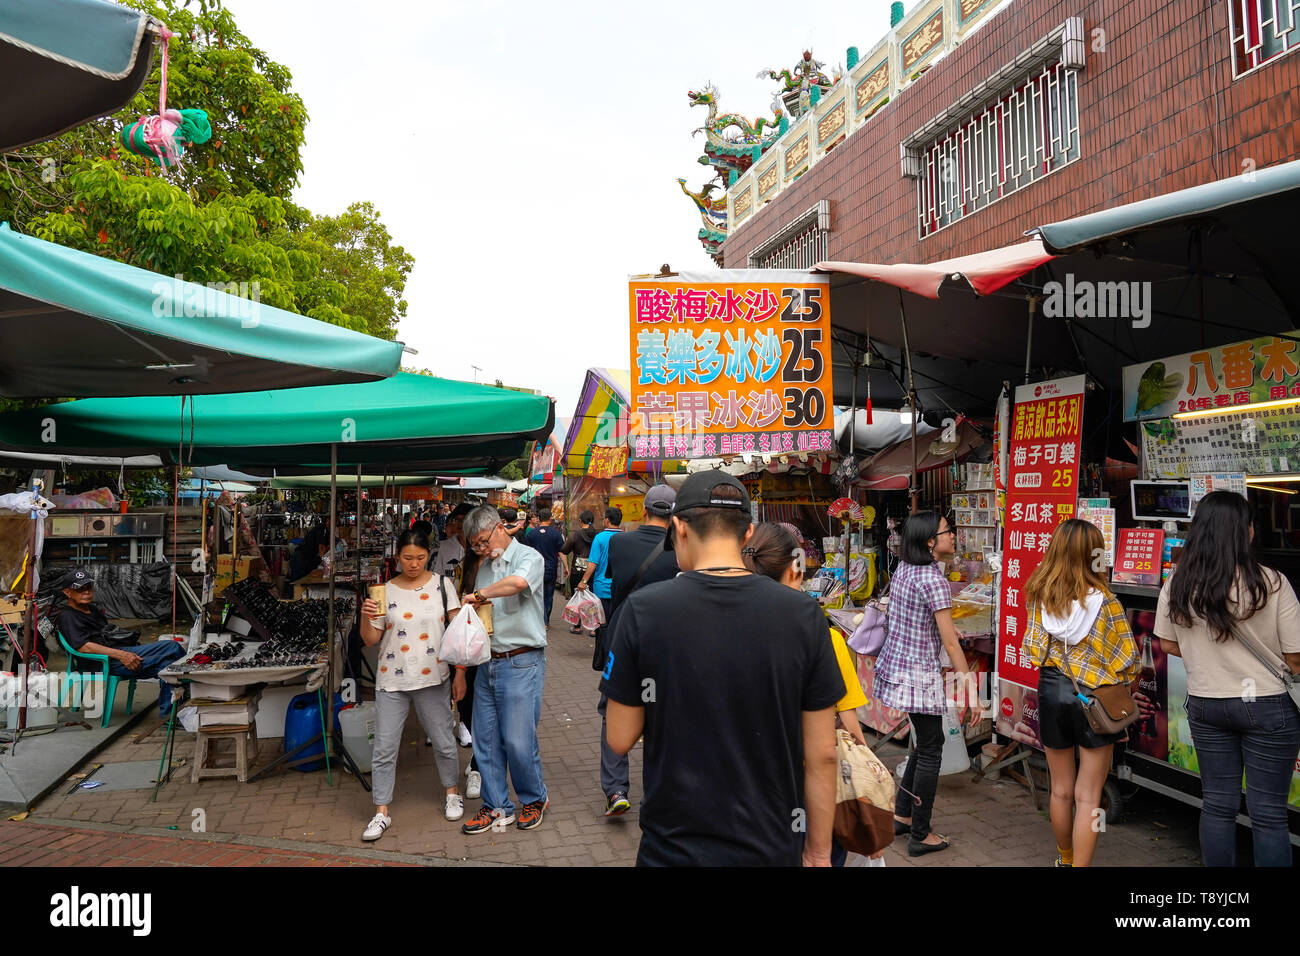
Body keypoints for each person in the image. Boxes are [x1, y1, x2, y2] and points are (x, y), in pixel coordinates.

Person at [600, 471, 843, 866]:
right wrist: (817, 852)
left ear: (679, 528)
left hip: (673, 848)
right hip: (773, 845)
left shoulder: (642, 611)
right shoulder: (803, 615)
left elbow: (620, 738)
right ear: (747, 534)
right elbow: (822, 754)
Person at [1154, 491, 1300, 867]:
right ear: (1246, 533)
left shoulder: (1177, 585)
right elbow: (1295, 658)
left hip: (1207, 703)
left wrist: (1208, 660)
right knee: (1268, 814)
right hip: (1267, 706)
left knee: (1218, 805)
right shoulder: (1273, 583)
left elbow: (1167, 643)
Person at [741, 521, 882, 866]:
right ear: (795, 569)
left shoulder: (722, 634)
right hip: (812, 794)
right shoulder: (825, 639)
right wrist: (868, 804)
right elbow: (849, 731)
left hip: (744, 789)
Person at [1022, 518, 1140, 868]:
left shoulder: (1040, 596)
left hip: (1051, 691)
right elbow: (1128, 661)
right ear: (1095, 555)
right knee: (1088, 797)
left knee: (1059, 789)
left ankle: (1065, 858)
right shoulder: (1105, 602)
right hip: (1095, 700)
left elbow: (1032, 649)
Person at [874, 511, 980, 858]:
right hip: (919, 673)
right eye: (948, 532)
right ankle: (921, 832)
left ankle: (903, 815)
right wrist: (973, 694)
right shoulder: (933, 579)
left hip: (900, 666)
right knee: (931, 749)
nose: (954, 536)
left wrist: (944, 629)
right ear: (931, 542)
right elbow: (951, 643)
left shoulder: (907, 569)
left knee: (926, 742)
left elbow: (918, 619)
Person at [459, 505, 550, 833]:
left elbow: (517, 584)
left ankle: (534, 798)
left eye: (483, 541)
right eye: (475, 546)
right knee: (484, 739)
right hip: (489, 662)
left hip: (522, 661)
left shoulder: (529, 557)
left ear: (500, 527)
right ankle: (495, 805)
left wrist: (480, 593)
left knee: (518, 739)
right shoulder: (484, 567)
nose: (481, 549)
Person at [596, 486, 680, 817]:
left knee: (614, 710)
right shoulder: (680, 552)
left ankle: (616, 789)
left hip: (622, 636)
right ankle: (657, 793)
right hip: (665, 640)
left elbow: (615, 579)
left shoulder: (619, 542)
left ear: (643, 510)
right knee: (661, 713)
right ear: (674, 516)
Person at [57, 569, 185, 718]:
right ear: (67, 592)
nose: (85, 592)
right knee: (172, 647)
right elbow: (84, 647)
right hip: (101, 662)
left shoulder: (93, 609)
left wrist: (125, 644)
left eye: (88, 588)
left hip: (116, 653)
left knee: (168, 667)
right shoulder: (68, 616)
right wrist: (122, 655)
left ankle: (170, 716)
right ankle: (195, 685)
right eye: (79, 589)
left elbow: (107, 634)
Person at [575, 506, 623, 626]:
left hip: (602, 588)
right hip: (620, 588)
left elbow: (593, 563)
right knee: (616, 625)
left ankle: (603, 645)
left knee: (602, 625)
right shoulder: (626, 538)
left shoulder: (599, 538)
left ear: (606, 520)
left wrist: (584, 581)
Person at [524, 507, 565, 626]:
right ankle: (545, 622)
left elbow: (527, 552)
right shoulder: (556, 534)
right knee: (548, 596)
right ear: (550, 518)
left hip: (535, 570)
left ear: (538, 519)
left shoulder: (532, 533)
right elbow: (561, 551)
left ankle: (536, 620)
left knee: (535, 595)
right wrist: (566, 567)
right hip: (550, 569)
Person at [560, 510, 599, 633]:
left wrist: (566, 566)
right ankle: (592, 629)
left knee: (578, 598)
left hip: (577, 571)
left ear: (580, 521)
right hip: (593, 571)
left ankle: (577, 626)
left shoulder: (575, 535)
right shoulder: (598, 535)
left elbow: (563, 551)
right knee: (592, 599)